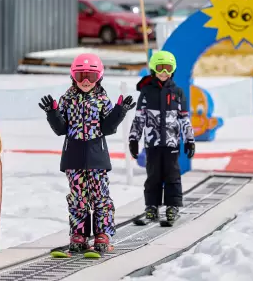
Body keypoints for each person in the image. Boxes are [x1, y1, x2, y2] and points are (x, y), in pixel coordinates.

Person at [38, 53, 136, 253]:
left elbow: (108, 128)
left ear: (98, 77)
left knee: (100, 196)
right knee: (78, 198)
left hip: (96, 156)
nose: (85, 81)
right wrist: (52, 113)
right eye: (80, 75)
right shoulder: (67, 99)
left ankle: (102, 234)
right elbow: (60, 129)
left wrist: (119, 111)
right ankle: (79, 234)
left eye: (90, 77)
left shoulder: (101, 99)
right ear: (73, 76)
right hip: (73, 156)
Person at [128, 50, 195, 223]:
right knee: (153, 176)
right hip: (152, 143)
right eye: (160, 68)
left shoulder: (178, 93)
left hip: (172, 143)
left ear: (173, 70)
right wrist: (134, 138)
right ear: (153, 69)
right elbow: (139, 118)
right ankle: (152, 206)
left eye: (168, 68)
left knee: (172, 175)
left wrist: (189, 140)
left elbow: (184, 118)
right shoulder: (146, 92)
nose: (164, 72)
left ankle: (173, 206)